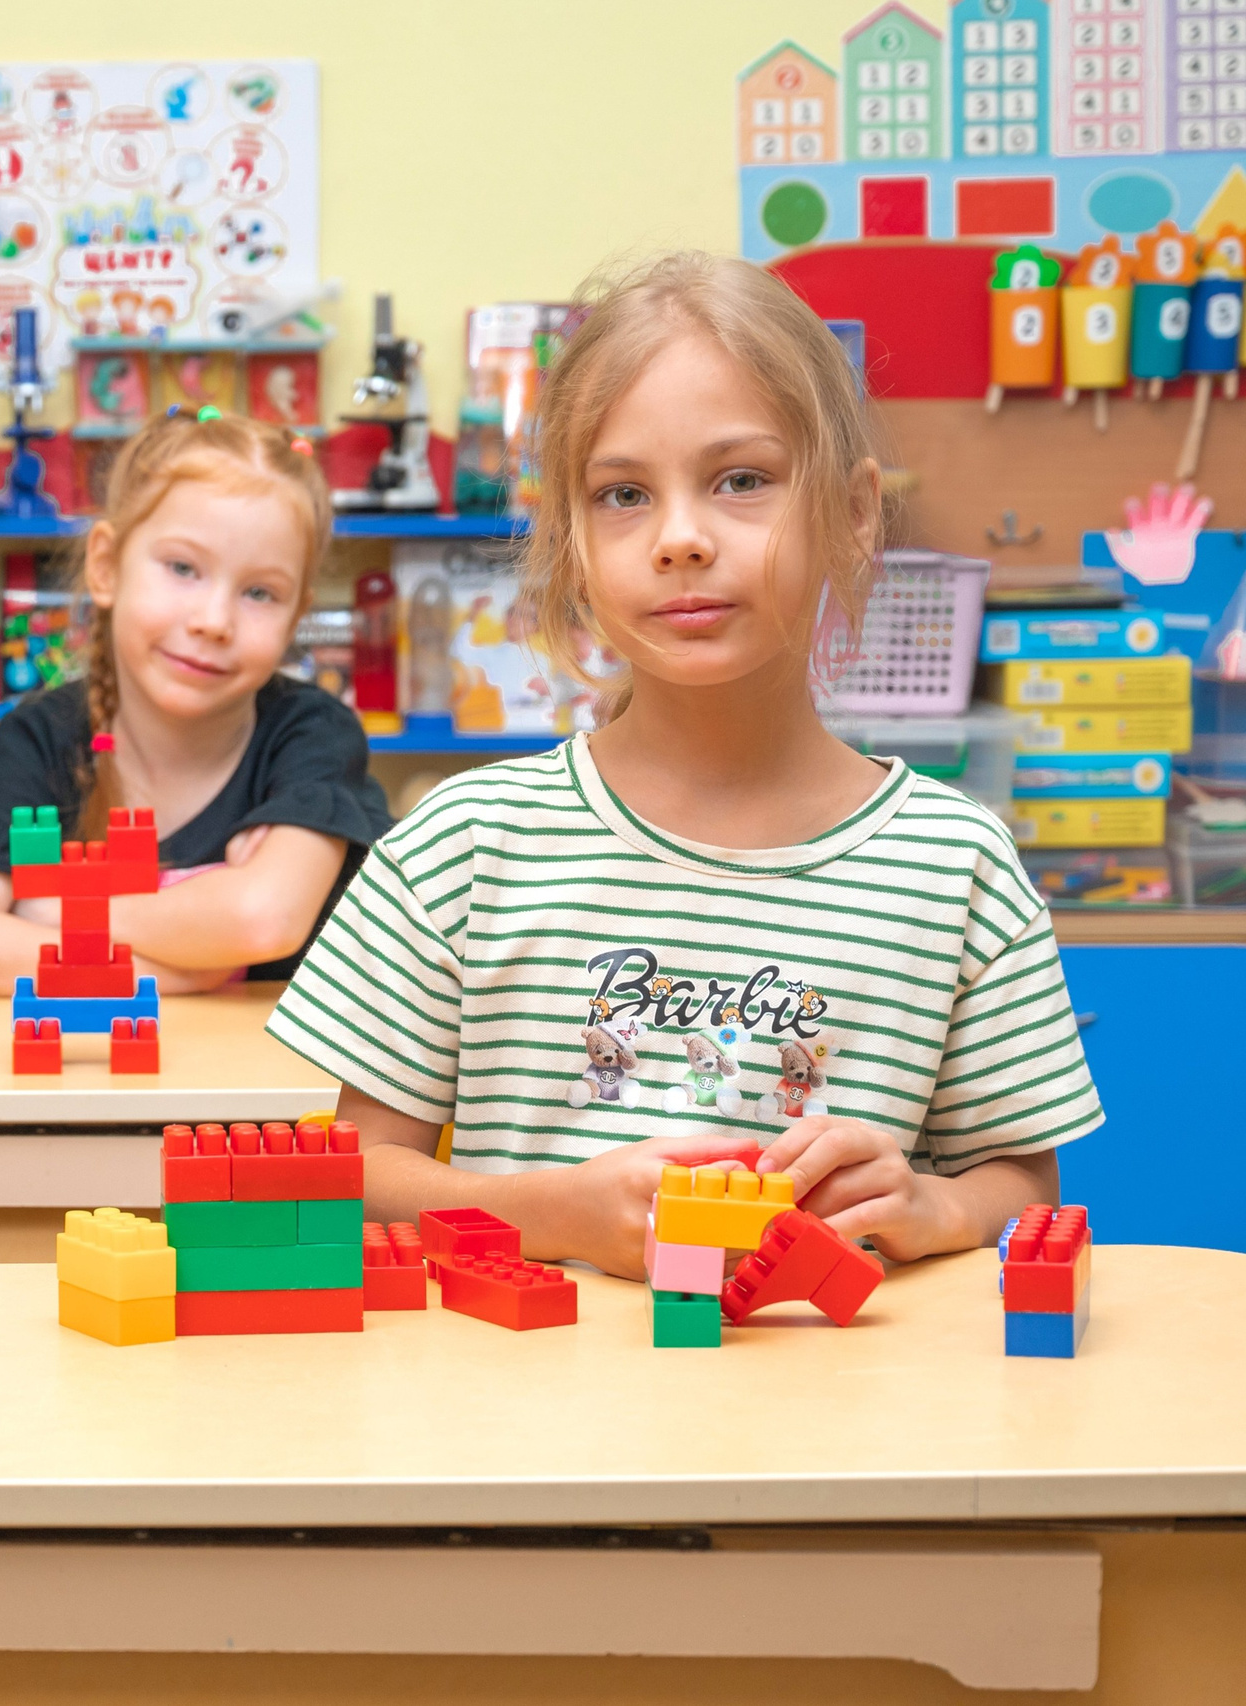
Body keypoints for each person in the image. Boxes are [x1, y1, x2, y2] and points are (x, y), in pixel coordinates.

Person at [268, 252, 1093, 1279]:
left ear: (852, 510)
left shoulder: (956, 863)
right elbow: (344, 1179)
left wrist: (933, 1203)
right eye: (623, 494)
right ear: (569, 545)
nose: (681, 538)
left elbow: (1020, 1183)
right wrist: (544, 1213)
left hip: (845, 1426)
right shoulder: (461, 847)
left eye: (739, 479)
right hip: (524, 1421)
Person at [0, 411, 390, 994]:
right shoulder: (42, 737)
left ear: (295, 616)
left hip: (273, 1082)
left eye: (260, 592)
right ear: (107, 567)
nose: (214, 621)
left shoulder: (314, 733)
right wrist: (173, 968)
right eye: (183, 568)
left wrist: (55, 915)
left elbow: (261, 918)